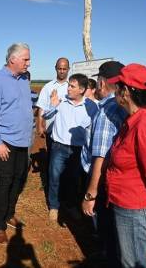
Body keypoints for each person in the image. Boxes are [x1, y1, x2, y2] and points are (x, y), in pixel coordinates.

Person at [103, 63, 146, 267]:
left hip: (134, 208)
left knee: (132, 263)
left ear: (126, 93)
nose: (115, 91)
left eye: (118, 87)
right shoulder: (132, 120)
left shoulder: (144, 125)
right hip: (126, 204)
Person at [0, 43, 33, 244]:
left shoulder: (24, 80)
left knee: (19, 179)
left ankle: (9, 213)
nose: (29, 63)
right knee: (4, 183)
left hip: (23, 142)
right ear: (12, 59)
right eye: (26, 59)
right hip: (6, 142)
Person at [80, 61, 126, 264]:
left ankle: (110, 258)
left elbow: (100, 156)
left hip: (103, 180)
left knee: (106, 226)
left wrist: (91, 194)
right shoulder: (123, 106)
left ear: (101, 83)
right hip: (116, 178)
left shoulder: (107, 112)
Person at [43, 73, 95, 222]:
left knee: (73, 179)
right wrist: (53, 105)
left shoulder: (91, 106)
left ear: (82, 89)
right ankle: (54, 206)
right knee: (54, 177)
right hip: (59, 147)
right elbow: (46, 116)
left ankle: (71, 205)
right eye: (68, 85)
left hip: (78, 149)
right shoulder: (61, 100)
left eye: (72, 86)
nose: (69, 88)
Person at [36, 58, 70, 181]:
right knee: (52, 156)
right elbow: (41, 107)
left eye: (64, 69)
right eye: (59, 68)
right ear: (55, 68)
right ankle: (51, 182)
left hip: (68, 130)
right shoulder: (48, 87)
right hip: (51, 129)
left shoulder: (71, 87)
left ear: (68, 69)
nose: (62, 71)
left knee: (68, 159)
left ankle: (63, 183)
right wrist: (40, 125)